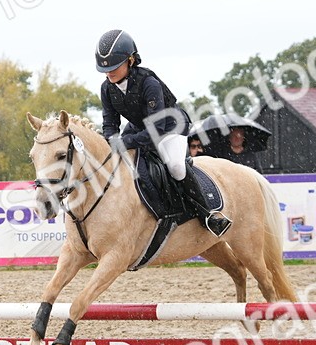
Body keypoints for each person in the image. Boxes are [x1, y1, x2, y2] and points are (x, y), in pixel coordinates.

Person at [95, 29, 230, 236]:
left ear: (131, 60)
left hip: (169, 127)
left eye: (114, 67)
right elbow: (110, 122)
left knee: (176, 167)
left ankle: (209, 215)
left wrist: (124, 142)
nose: (109, 73)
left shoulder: (149, 83)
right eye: (105, 69)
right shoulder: (107, 88)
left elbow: (155, 130)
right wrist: (111, 140)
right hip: (140, 127)